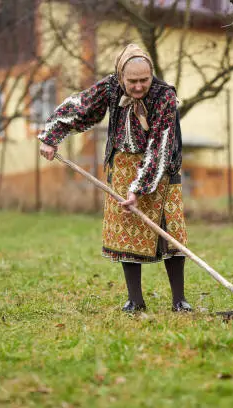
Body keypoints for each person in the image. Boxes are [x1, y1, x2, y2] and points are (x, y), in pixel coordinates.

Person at [37, 44, 192, 313]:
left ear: (151, 74)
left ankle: (179, 300)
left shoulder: (164, 95)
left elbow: (161, 144)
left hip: (161, 169)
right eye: (132, 81)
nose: (139, 86)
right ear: (121, 76)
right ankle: (135, 300)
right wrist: (51, 136)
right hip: (121, 167)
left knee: (171, 233)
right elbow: (81, 108)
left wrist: (141, 187)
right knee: (126, 235)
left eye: (144, 80)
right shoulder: (110, 87)